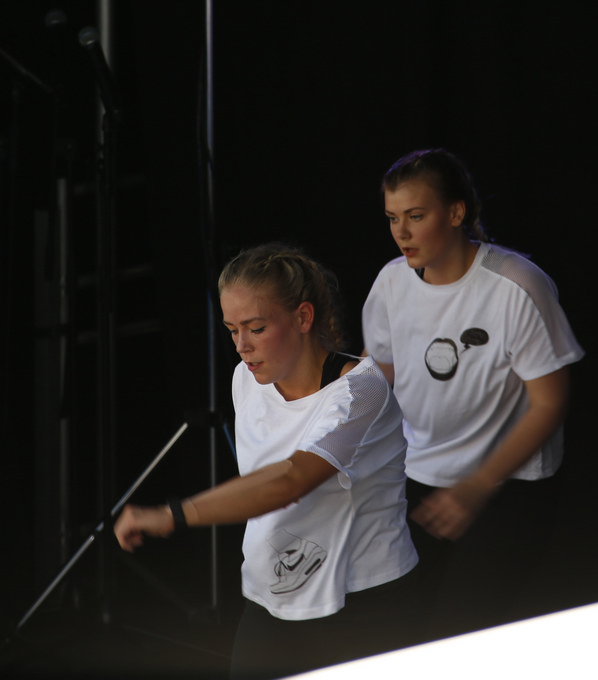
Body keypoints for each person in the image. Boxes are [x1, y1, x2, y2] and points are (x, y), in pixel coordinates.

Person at [114, 244, 418, 680]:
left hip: (363, 605)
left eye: (256, 328)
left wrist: (173, 515)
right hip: (270, 598)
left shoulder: (362, 391)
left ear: (303, 317)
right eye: (232, 330)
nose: (242, 346)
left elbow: (290, 481)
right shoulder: (246, 378)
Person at [360, 148, 584, 637]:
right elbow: (378, 375)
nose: (401, 232)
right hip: (419, 476)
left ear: (456, 212)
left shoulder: (516, 285)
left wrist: (475, 487)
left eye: (416, 216)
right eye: (393, 218)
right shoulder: (392, 282)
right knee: (392, 628)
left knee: (461, 631)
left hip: (506, 490)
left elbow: (550, 403)